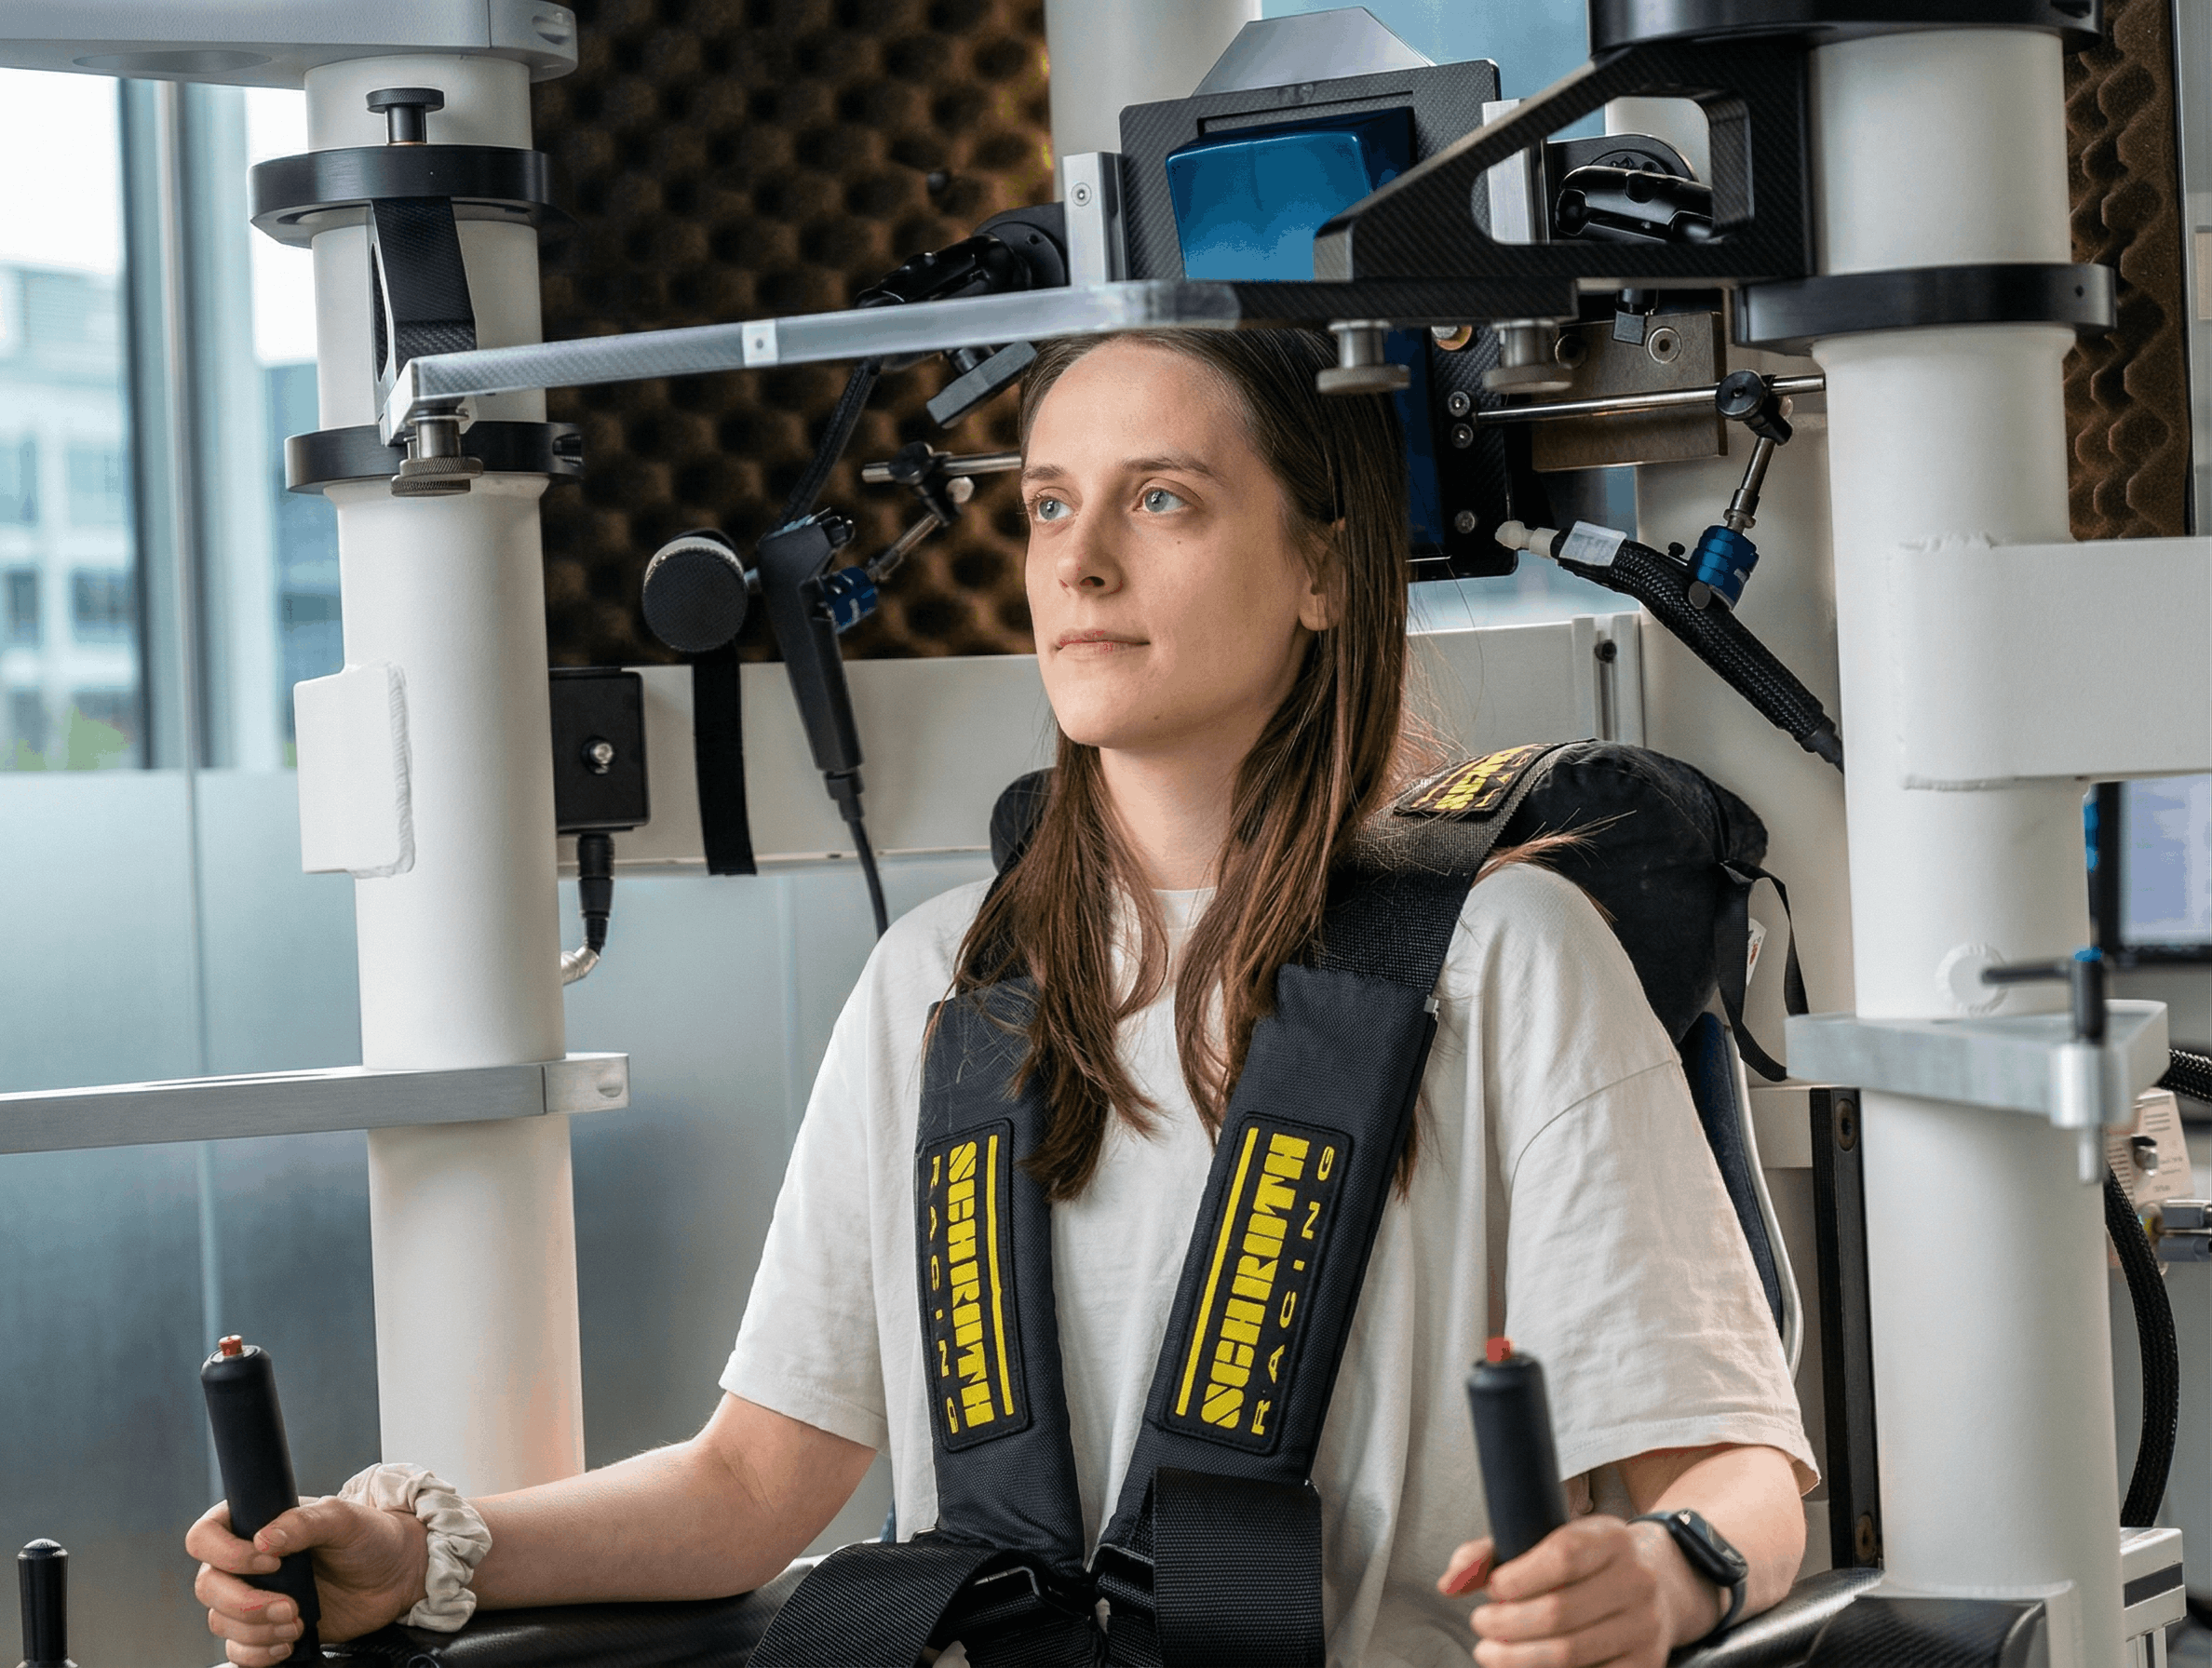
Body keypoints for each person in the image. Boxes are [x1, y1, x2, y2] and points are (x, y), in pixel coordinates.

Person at [190, 328, 1814, 1668]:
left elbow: (1737, 1468)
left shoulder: (1505, 960)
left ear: (1324, 570)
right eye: (1046, 507)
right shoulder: (943, 985)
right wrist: (420, 1551)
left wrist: (1668, 1576)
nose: (1082, 563)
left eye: (1161, 500)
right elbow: (756, 1480)